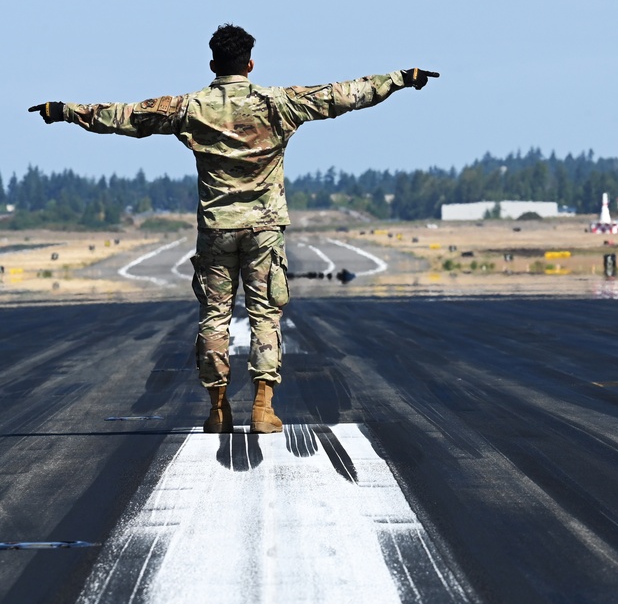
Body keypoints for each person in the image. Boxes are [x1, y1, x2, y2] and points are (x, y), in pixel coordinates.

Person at [29, 24, 438, 434]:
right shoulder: (278, 103)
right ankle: (263, 407)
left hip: (216, 230)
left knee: (214, 317)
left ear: (212, 64)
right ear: (250, 63)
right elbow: (345, 94)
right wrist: (403, 79)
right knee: (265, 315)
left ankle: (217, 409)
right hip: (263, 230)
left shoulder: (190, 107)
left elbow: (125, 117)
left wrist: (64, 111)